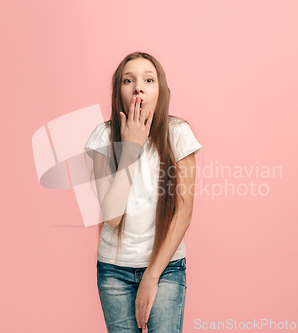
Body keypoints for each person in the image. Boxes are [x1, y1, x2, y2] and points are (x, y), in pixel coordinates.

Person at [84, 51, 202, 332]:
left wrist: (152, 275)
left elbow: (183, 214)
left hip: (167, 268)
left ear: (160, 90)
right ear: (118, 92)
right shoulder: (103, 136)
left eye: (148, 79)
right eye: (129, 80)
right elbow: (112, 217)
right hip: (113, 271)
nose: (138, 86)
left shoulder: (178, 133)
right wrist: (131, 148)